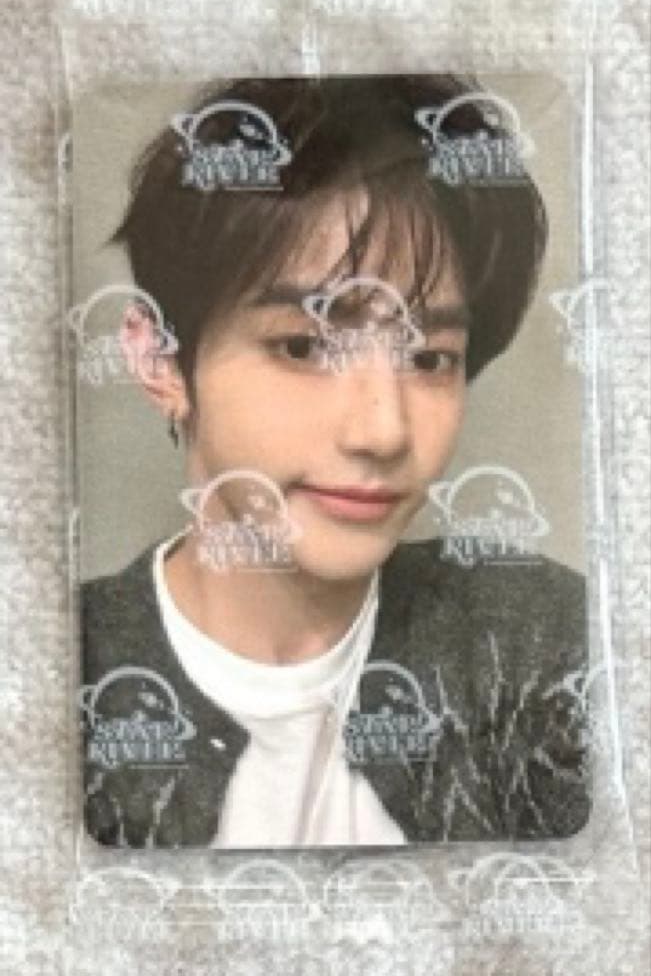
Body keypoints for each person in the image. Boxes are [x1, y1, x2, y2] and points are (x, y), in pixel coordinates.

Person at [80, 74, 590, 848]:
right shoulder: (61, 666)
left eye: (429, 358)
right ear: (158, 359)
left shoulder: (539, 643)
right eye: (303, 347)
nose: (383, 431)